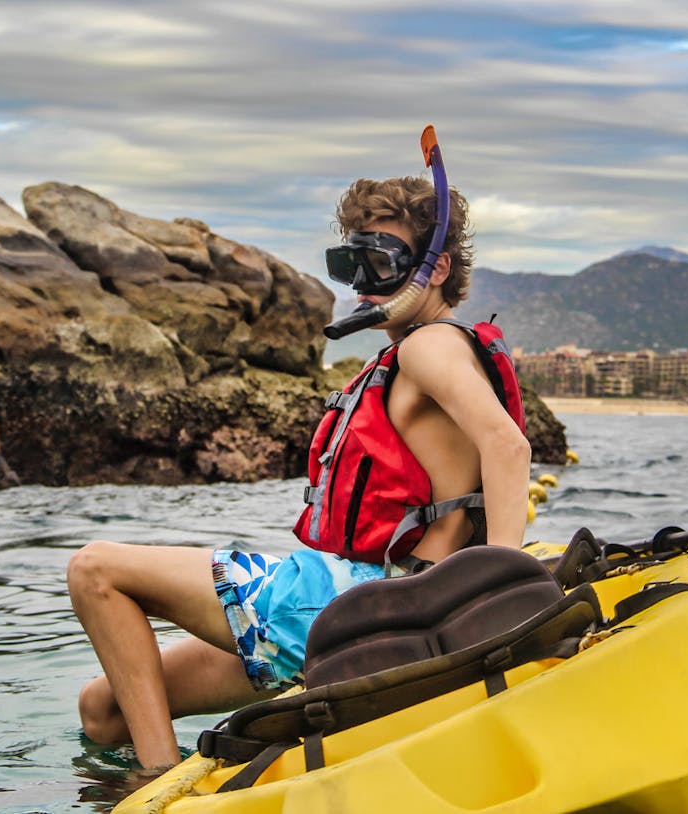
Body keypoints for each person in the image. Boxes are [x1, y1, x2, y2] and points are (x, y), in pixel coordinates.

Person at [67, 163, 531, 773]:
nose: (364, 284)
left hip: (364, 604)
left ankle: (154, 782)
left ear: (436, 268)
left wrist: (502, 594)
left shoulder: (428, 344)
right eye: (352, 264)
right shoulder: (425, 349)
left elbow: (508, 447)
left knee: (94, 569)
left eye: (383, 262)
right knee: (103, 706)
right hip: (345, 598)